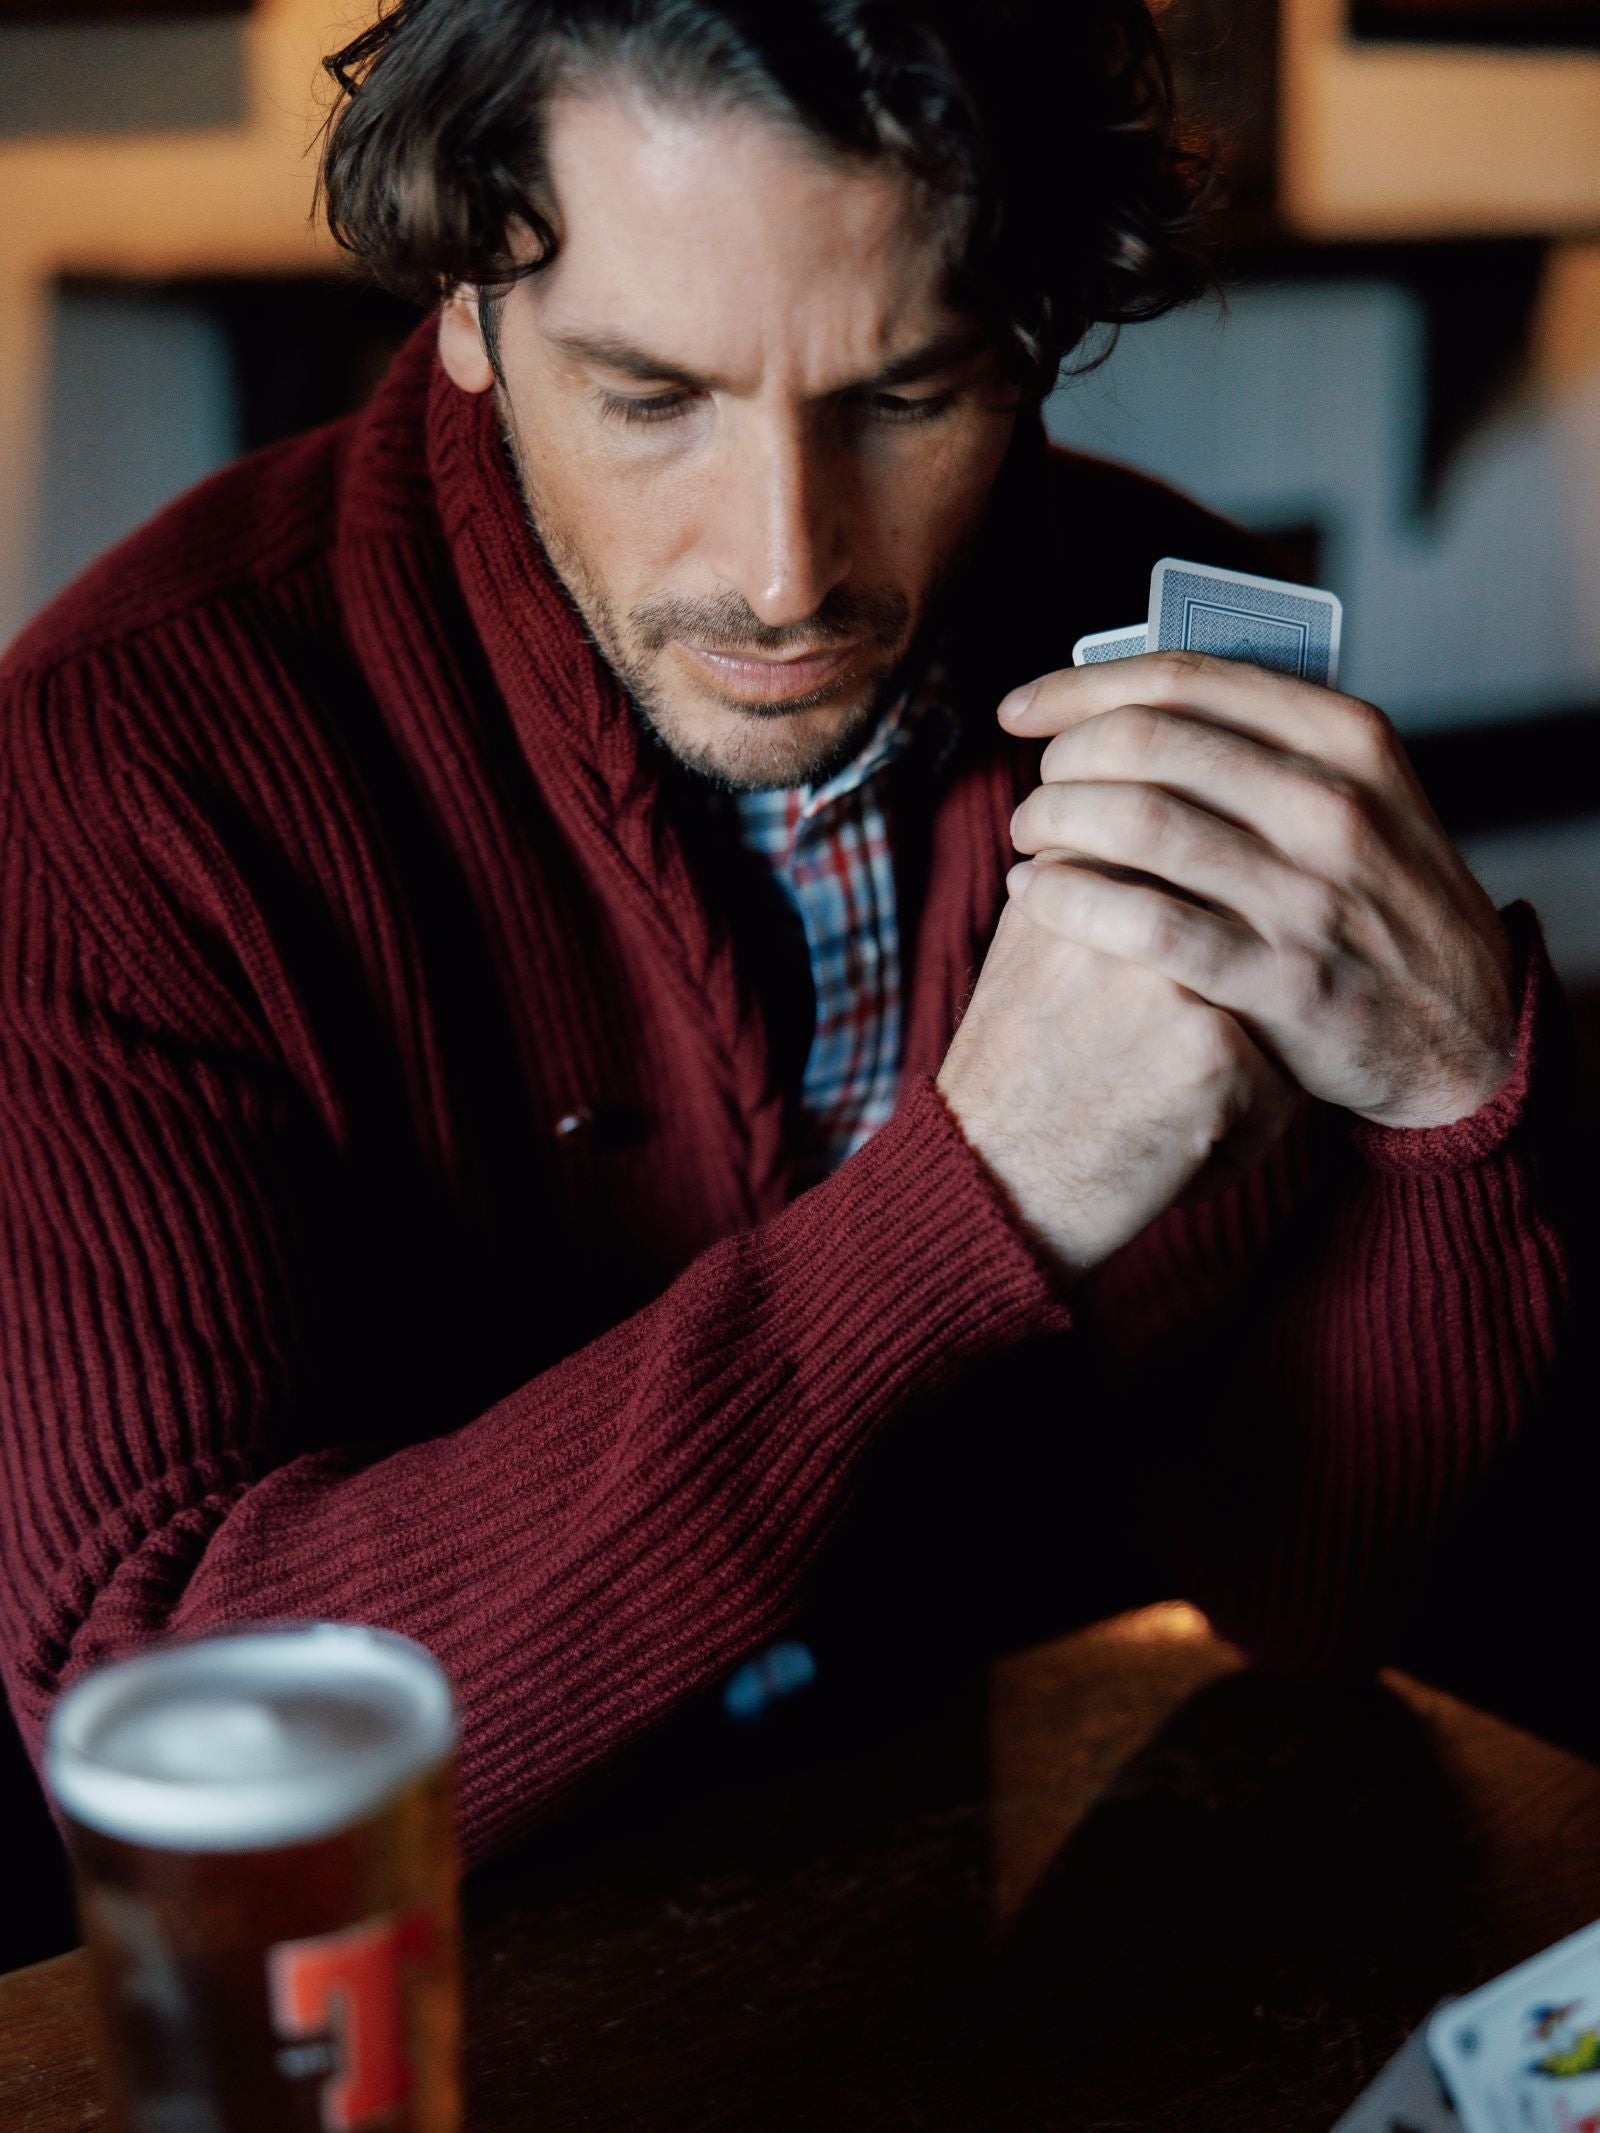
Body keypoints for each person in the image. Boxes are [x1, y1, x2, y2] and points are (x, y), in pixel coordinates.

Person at [0, 0, 1577, 1870]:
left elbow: (1304, 1598)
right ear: (463, 306)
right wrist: (983, 1189)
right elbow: (159, 1728)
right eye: (651, 395)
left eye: (904, 396)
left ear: (1035, 335)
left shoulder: (1153, 668)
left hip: (960, 1893)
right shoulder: (118, 764)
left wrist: (1456, 1115)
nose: (784, 568)